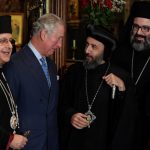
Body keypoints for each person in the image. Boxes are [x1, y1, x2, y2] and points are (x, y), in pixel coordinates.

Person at [59, 25, 133, 150]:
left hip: (103, 143)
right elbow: (61, 103)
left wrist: (121, 89)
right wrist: (71, 115)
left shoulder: (121, 76)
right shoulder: (74, 72)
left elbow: (126, 117)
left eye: (94, 47)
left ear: (105, 51)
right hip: (75, 142)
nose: (87, 50)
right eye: (87, 44)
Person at [4, 13, 65, 150]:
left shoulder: (51, 65)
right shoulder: (14, 64)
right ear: (44, 34)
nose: (60, 45)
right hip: (28, 145)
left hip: (51, 143)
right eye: (58, 38)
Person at [111, 1, 150, 149]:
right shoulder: (120, 54)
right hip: (118, 126)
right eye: (136, 27)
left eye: (146, 28)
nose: (139, 33)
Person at [0, 15, 27, 149]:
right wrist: (8, 140)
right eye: (3, 41)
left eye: (10, 41)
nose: (10, 46)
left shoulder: (2, 72)